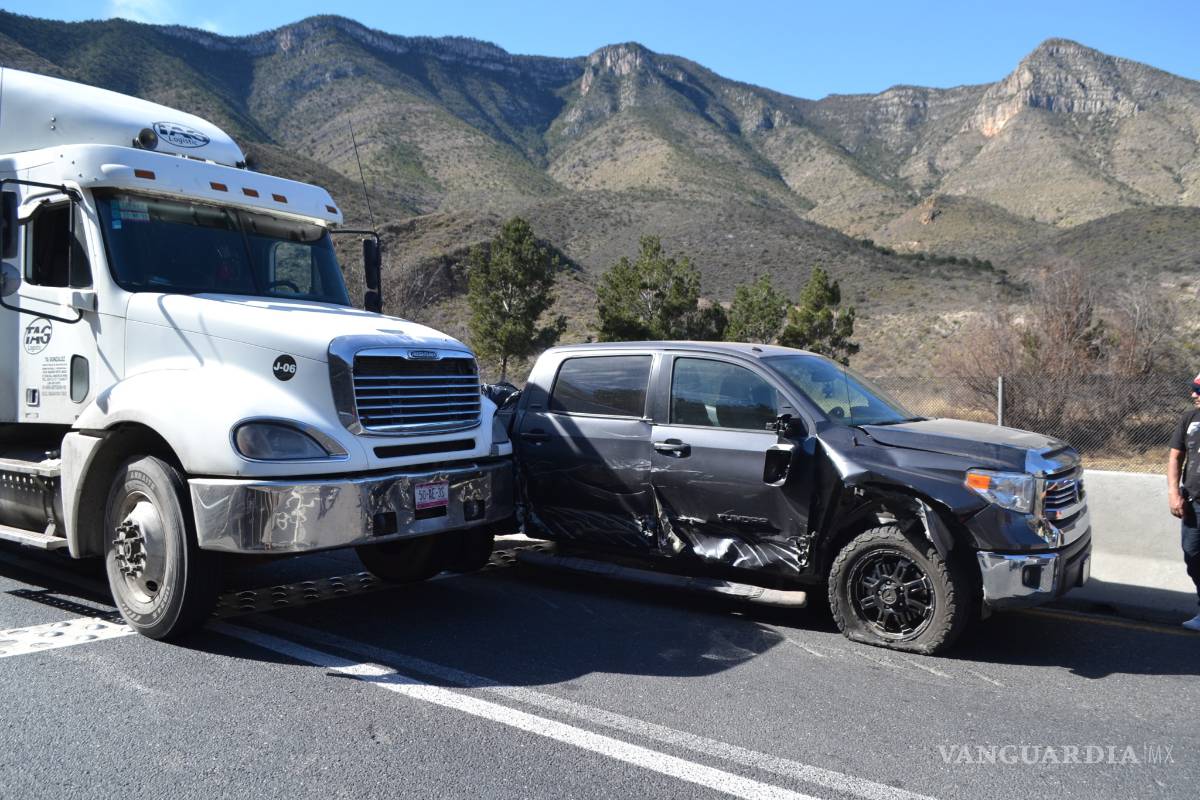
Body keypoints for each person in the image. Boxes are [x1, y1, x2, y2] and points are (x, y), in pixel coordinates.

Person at [1167, 372, 1200, 631]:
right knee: (1193, 555)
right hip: (1194, 502)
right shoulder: (1189, 418)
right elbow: (1175, 457)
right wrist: (1173, 493)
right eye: (1194, 389)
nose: (1193, 394)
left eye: (1198, 390)